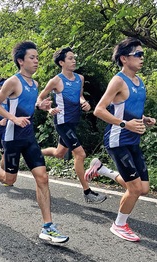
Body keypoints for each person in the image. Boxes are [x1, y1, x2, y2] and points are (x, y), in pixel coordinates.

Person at [0, 41, 69, 243]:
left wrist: (41, 106)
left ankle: (47, 226)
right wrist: (13, 119)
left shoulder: (35, 84)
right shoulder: (12, 82)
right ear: (20, 61)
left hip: (29, 136)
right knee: (9, 180)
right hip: (12, 138)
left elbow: (27, 104)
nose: (36, 61)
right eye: (32, 58)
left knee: (42, 178)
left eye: (37, 58)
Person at [92, 37, 155, 241]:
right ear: (124, 58)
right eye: (138, 54)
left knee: (143, 188)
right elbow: (99, 110)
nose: (142, 58)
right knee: (135, 188)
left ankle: (103, 171)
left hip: (133, 140)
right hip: (117, 140)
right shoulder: (118, 80)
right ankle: (119, 225)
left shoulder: (139, 81)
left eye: (142, 54)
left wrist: (144, 119)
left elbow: (129, 109)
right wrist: (125, 124)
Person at [36, 47, 107, 204]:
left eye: (74, 57)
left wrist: (84, 103)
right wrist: (48, 109)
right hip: (62, 122)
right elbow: (40, 99)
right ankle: (87, 192)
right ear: (61, 62)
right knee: (80, 155)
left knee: (59, 153)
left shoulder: (80, 78)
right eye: (70, 58)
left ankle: (34, 152)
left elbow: (80, 96)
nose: (74, 60)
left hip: (74, 121)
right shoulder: (56, 80)